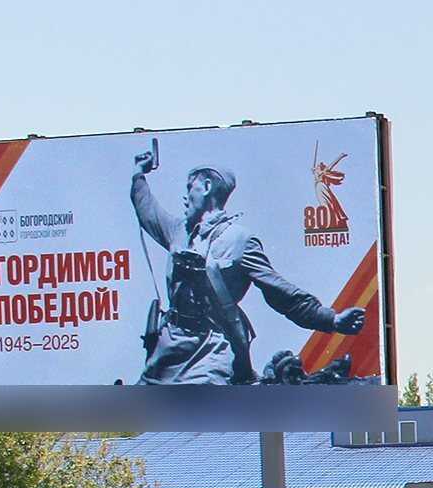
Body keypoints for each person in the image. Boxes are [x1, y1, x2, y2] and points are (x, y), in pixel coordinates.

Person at [131, 146, 368, 385]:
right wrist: (139, 174)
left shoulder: (239, 241)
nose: (185, 196)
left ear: (207, 187)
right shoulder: (178, 231)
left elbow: (280, 292)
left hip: (207, 354)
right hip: (165, 351)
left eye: (189, 187)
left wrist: (331, 319)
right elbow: (147, 210)